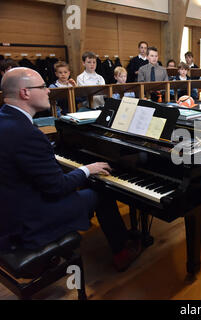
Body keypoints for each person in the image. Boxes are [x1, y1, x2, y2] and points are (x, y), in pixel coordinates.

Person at [0, 67, 142, 272]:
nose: (48, 90)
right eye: (42, 87)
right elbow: (56, 187)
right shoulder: (27, 133)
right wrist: (86, 169)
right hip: (27, 220)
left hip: (11, 206)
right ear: (25, 92)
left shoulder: (6, 119)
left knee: (85, 182)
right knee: (103, 192)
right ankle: (121, 252)